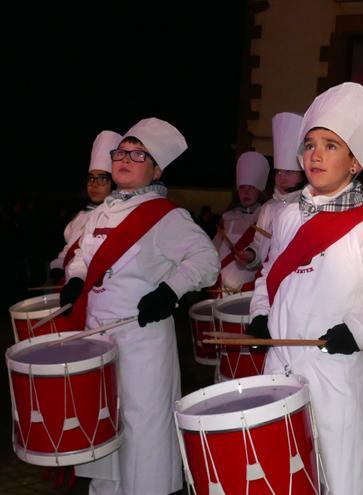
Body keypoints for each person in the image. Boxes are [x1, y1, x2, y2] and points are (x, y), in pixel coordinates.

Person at [249, 82, 363, 494]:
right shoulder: (287, 215)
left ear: (354, 162)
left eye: (331, 145)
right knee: (283, 477)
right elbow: (268, 274)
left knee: (340, 479)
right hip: (279, 369)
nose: (315, 154)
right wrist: (261, 311)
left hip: (331, 374)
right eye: (310, 144)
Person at [60, 118, 220, 494]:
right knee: (104, 419)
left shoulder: (166, 216)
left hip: (141, 338)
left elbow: (205, 260)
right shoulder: (101, 211)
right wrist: (76, 279)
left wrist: (169, 292)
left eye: (137, 154)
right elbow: (83, 255)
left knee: (142, 423)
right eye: (122, 153)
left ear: (156, 168)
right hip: (96, 338)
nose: (125, 159)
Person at [49, 131, 121, 284]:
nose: (94, 184)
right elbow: (68, 249)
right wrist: (58, 266)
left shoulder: (116, 216)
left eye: (102, 179)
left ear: (114, 183)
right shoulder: (80, 216)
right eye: (91, 179)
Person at [241, 112, 306, 270]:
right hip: (269, 275)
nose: (281, 177)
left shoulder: (309, 204)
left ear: (302, 175)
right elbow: (259, 244)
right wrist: (251, 254)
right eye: (278, 172)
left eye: (288, 172)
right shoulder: (268, 207)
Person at [212, 151, 269, 293]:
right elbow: (213, 251)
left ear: (260, 191)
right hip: (221, 290)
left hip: (249, 291)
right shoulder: (226, 218)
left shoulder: (266, 217)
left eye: (252, 187)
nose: (246, 192)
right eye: (242, 187)